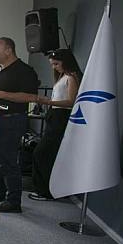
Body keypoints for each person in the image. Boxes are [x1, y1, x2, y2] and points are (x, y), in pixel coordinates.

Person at [0, 37, 39, 213]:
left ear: (8, 50)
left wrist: (0, 93)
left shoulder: (24, 71)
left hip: (11, 120)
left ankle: (13, 200)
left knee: (8, 161)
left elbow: (30, 97)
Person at [30, 49, 82, 202]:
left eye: (56, 64)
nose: (54, 67)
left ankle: (45, 191)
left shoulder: (72, 77)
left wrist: (48, 101)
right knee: (44, 153)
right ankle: (44, 189)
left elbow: (71, 101)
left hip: (62, 116)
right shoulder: (62, 77)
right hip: (54, 115)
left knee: (42, 153)